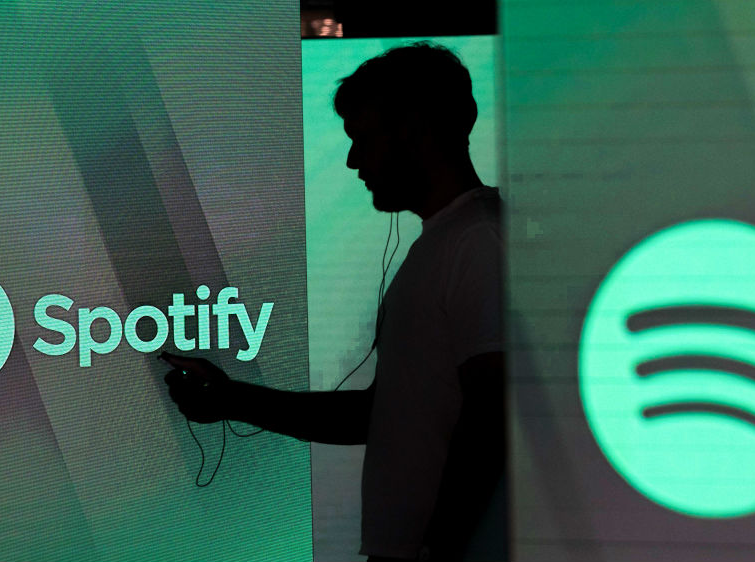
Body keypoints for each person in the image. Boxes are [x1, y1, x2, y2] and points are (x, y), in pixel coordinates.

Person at [164, 42, 505, 562]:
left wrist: (439, 550)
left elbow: (494, 416)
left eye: (363, 139)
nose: (351, 160)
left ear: (414, 129)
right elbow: (379, 415)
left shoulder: (477, 242)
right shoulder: (451, 242)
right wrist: (230, 399)